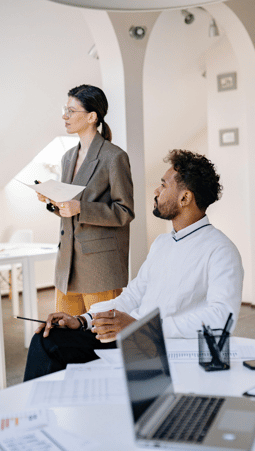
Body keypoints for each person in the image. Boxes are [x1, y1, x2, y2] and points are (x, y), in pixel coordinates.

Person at [24, 149, 243, 381]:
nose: (157, 191)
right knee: (49, 338)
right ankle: (40, 413)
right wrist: (83, 320)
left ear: (185, 198)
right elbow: (133, 296)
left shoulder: (221, 250)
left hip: (161, 347)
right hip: (131, 336)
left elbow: (221, 317)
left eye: (163, 185)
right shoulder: (163, 243)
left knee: (55, 348)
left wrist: (141, 326)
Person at [36, 84, 134, 316]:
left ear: (91, 116)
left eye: (71, 111)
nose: (65, 116)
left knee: (102, 337)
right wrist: (52, 200)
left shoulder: (114, 157)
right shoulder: (68, 157)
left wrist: (81, 207)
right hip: (67, 265)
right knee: (67, 338)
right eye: (65, 109)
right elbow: (68, 207)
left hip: (100, 268)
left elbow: (125, 211)